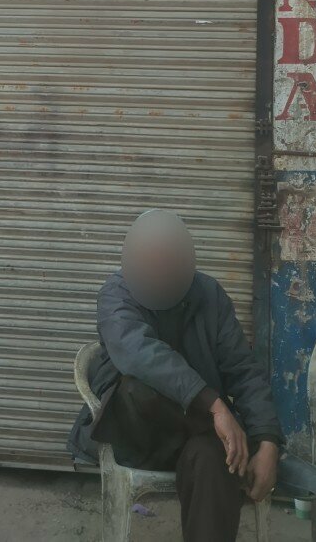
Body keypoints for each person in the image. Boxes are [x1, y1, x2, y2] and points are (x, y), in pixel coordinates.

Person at [68, 209, 282, 542]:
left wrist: (268, 442)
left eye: (169, 267)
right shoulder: (115, 296)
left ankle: (233, 444)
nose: (160, 276)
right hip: (139, 436)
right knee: (136, 386)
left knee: (218, 461)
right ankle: (230, 437)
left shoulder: (210, 296)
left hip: (199, 439)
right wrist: (217, 408)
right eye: (151, 267)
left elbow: (244, 370)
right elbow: (139, 355)